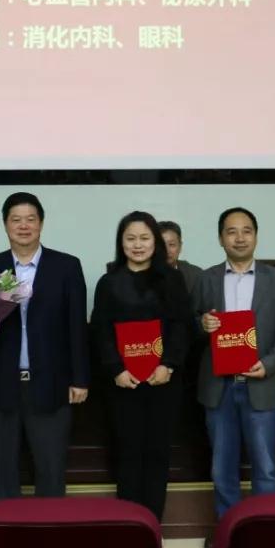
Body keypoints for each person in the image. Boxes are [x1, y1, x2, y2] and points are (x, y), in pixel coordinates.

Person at [0, 192, 89, 500]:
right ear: (5, 225)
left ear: (41, 224)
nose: (23, 226)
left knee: (51, 469)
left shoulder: (66, 266)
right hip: (0, 383)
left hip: (51, 383)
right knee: (2, 470)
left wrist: (80, 379)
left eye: (30, 219)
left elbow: (76, 327)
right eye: (16, 220)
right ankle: (3, 525)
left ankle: (50, 527)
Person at [194, 207, 275, 544]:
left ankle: (265, 532)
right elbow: (189, 327)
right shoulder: (206, 279)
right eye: (231, 231)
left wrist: (269, 363)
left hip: (261, 383)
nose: (239, 238)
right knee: (221, 466)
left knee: (264, 466)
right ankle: (227, 529)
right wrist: (202, 324)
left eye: (246, 231)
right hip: (218, 387)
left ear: (256, 235)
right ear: (220, 238)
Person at [91, 211, 192, 523]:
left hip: (163, 381)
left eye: (144, 238)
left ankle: (152, 524)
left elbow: (181, 326)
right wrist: (116, 370)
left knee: (158, 453)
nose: (138, 245)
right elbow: (101, 331)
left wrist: (168, 365)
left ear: (155, 242)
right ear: (121, 243)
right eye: (131, 238)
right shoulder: (109, 282)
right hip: (124, 383)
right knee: (127, 452)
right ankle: (130, 524)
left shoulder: (172, 279)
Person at [158, 220, 205, 300]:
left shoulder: (195, 275)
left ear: (180, 246)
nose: (166, 250)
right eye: (161, 245)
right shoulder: (142, 274)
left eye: (172, 245)